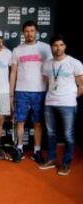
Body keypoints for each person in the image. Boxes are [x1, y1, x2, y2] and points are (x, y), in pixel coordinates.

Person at [39, 35, 83, 175]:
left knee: (68, 135)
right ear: (51, 47)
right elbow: (47, 82)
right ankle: (51, 159)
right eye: (55, 45)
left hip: (68, 104)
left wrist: (71, 97)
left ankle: (66, 163)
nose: (58, 48)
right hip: (50, 102)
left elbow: (81, 85)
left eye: (61, 45)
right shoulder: (46, 64)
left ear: (65, 46)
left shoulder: (74, 63)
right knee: (51, 133)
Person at [10, 20, 52, 163]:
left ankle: (37, 151)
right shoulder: (17, 50)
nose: (29, 34)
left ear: (36, 32)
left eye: (32, 31)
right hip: (21, 91)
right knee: (20, 122)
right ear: (23, 33)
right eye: (27, 31)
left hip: (40, 91)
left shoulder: (46, 48)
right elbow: (13, 72)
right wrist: (11, 93)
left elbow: (51, 70)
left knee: (38, 123)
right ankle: (20, 148)